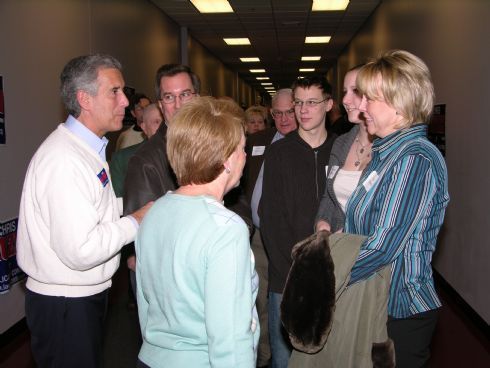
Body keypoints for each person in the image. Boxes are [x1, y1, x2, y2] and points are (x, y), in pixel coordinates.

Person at [16, 54, 152, 368]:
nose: (125, 101)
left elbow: (92, 210)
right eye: (114, 92)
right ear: (84, 99)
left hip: (77, 298)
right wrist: (135, 221)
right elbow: (81, 249)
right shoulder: (65, 160)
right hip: (66, 304)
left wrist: (134, 208)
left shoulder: (86, 150)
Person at [136, 97, 259, 368]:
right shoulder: (226, 229)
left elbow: (145, 304)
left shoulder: (154, 212)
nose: (245, 156)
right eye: (241, 148)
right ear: (227, 160)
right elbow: (229, 335)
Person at [345, 50, 449, 368]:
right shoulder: (387, 153)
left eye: (369, 99)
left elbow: (382, 247)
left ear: (400, 104)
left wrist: (326, 277)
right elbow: (360, 226)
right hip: (376, 300)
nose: (361, 107)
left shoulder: (413, 158)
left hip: (400, 311)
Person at [259, 76, 336, 368]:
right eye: (299, 103)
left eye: (312, 102)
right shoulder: (279, 153)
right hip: (287, 276)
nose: (303, 110)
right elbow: (271, 219)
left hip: (333, 274)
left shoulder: (342, 151)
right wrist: (293, 270)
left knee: (330, 354)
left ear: (328, 105)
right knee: (285, 357)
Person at [243, 88, 297, 368]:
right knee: (254, 301)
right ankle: (261, 354)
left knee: (281, 305)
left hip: (288, 244)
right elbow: (241, 189)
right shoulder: (256, 142)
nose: (284, 118)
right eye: (278, 113)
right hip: (255, 239)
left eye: (290, 111)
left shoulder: (304, 146)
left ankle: (275, 357)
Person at [123, 64, 200, 215]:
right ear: (160, 105)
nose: (178, 105)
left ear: (197, 98)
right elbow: (144, 228)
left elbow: (238, 201)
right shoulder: (144, 162)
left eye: (185, 94)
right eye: (169, 97)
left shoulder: (217, 143)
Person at [316, 65, 373, 233]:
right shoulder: (341, 143)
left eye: (355, 91)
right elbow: (329, 196)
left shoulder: (390, 148)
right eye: (345, 92)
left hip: (369, 253)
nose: (345, 100)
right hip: (337, 249)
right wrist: (322, 224)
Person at [110, 103, 163, 197]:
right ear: (144, 127)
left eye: (165, 122)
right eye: (157, 122)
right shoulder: (122, 159)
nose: (162, 127)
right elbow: (118, 200)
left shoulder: (184, 156)